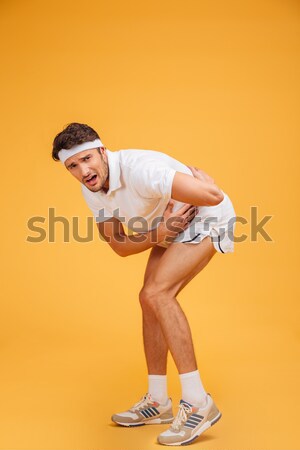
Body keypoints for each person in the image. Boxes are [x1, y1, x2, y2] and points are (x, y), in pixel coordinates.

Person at [52, 122, 236, 446]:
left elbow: (212, 196)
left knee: (157, 292)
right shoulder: (91, 190)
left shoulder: (141, 170)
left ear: (102, 152)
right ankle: (158, 400)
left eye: (87, 159)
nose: (83, 170)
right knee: (147, 298)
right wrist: (161, 233)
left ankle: (197, 402)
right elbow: (120, 246)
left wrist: (206, 189)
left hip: (207, 217)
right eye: (73, 166)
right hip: (168, 226)